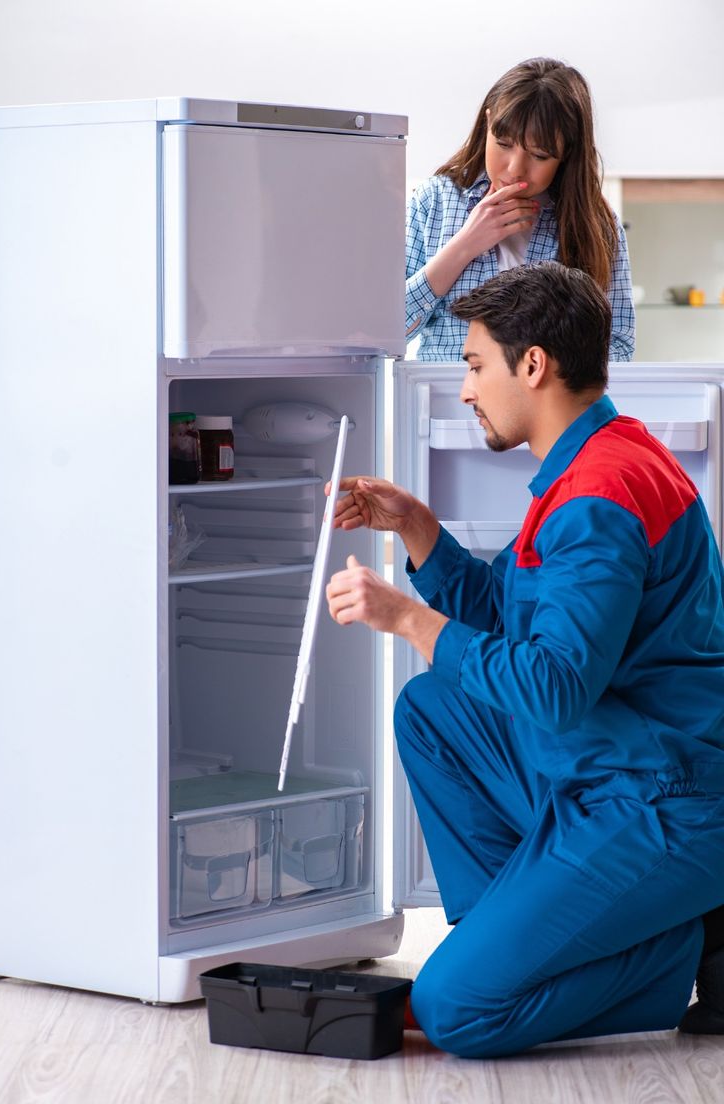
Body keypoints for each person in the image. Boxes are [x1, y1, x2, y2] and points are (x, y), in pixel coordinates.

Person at [325, 261, 724, 1058]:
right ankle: (523, 940)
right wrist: (418, 530)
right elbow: (512, 618)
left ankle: (686, 945)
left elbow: (554, 688)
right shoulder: (596, 461)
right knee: (433, 709)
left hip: (659, 798)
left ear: (532, 365)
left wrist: (410, 620)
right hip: (612, 764)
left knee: (455, 1010)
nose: (467, 388)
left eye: (475, 365)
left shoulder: (598, 497)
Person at [406, 57, 635, 363]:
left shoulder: (596, 227)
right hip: (443, 407)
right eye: (503, 143)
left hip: (550, 412)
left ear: (567, 153)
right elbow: (386, 333)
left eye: (539, 155)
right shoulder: (433, 202)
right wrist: (465, 246)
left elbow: (618, 348)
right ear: (488, 123)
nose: (515, 169)